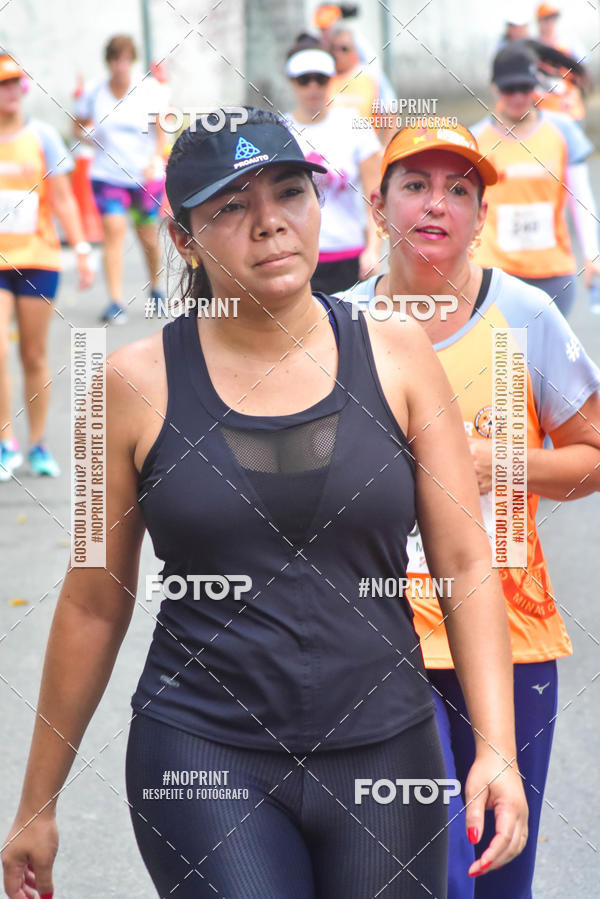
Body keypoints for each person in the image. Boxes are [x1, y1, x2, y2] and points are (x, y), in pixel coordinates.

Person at [2, 108, 527, 898]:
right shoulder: (126, 386)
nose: (270, 224)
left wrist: (497, 745)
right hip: (202, 752)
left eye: (290, 192)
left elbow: (463, 559)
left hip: (387, 749)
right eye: (231, 206)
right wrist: (36, 802)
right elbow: (90, 601)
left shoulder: (400, 352)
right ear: (182, 239)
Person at [338, 121, 600, 899]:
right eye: (415, 184)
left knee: (496, 875)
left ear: (482, 216)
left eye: (460, 189)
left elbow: (591, 455)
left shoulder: (525, 317)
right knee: (405, 874)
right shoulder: (336, 324)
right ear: (379, 203)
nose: (437, 203)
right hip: (371, 638)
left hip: (510, 640)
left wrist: (497, 461)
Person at [0, 53, 93, 481]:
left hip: (38, 259)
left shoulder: (43, 138)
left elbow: (62, 199)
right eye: (2, 84)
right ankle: (7, 441)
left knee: (33, 354)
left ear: (25, 87)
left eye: (14, 82)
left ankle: (38, 443)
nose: (9, 91)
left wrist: (81, 250)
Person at [471, 42, 600, 318]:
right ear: (494, 87)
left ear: (536, 86)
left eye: (525, 88)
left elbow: (581, 197)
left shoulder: (563, 131)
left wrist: (592, 254)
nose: (518, 96)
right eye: (509, 88)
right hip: (495, 276)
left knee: (546, 361)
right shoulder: (475, 140)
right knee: (505, 359)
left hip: (551, 274)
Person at [73, 34, 169, 324]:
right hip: (107, 175)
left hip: (144, 175)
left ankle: (156, 288)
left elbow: (162, 130)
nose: (121, 65)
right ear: (109, 61)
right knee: (113, 233)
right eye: (116, 59)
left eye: (126, 59)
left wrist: (156, 160)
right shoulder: (94, 91)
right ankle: (115, 301)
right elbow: (76, 126)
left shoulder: (149, 89)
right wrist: (90, 138)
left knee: (148, 237)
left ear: (132, 60)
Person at [285, 42, 382, 292]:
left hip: (349, 256)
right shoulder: (280, 131)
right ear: (292, 82)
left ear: (331, 80)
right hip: (297, 257)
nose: (313, 87)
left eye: (321, 79)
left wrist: (373, 249)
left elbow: (376, 195)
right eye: (304, 80)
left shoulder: (354, 126)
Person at [535, 4, 587, 120]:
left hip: (568, 107)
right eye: (546, 19)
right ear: (539, 21)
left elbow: (582, 74)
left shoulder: (569, 44)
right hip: (542, 110)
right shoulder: (533, 46)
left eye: (553, 18)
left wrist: (575, 93)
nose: (550, 22)